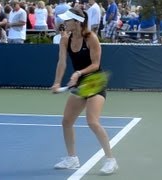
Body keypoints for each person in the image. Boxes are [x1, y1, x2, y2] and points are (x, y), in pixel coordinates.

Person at [51, 8, 118, 175]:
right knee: (66, 121)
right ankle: (72, 158)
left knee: (92, 121)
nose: (64, 23)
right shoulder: (64, 39)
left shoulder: (91, 38)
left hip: (95, 82)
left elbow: (96, 64)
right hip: (80, 84)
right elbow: (62, 62)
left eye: (67, 20)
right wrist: (57, 82)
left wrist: (79, 73)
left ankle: (111, 160)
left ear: (77, 22)